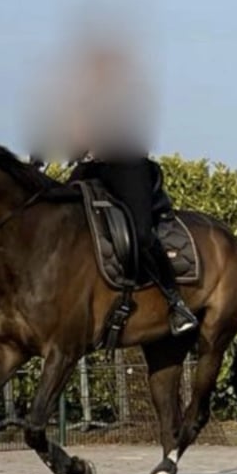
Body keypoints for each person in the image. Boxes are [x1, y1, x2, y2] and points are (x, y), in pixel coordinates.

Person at [30, 43, 198, 336]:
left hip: (128, 167)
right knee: (59, 220)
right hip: (93, 169)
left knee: (142, 234)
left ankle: (176, 302)